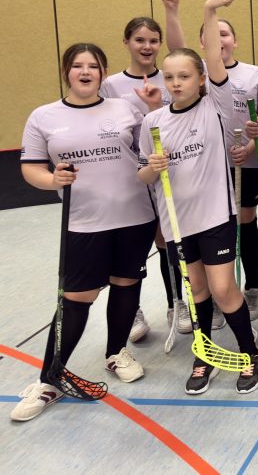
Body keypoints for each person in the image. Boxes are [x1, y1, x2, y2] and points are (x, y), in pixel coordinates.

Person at [11, 43, 158, 422]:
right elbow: (32, 168)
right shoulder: (44, 116)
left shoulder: (126, 107)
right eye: (78, 66)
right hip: (83, 220)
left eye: (93, 66)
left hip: (134, 214)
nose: (86, 71)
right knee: (77, 297)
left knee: (126, 284)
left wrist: (154, 108)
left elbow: (153, 146)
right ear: (66, 72)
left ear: (103, 73)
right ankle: (50, 377)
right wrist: (51, 178)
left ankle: (115, 352)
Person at [138, 0, 258, 396]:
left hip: (214, 217)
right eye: (169, 77)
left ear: (201, 79)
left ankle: (249, 352)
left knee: (225, 289)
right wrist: (151, 170)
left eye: (185, 76)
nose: (176, 83)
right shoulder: (154, 122)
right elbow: (143, 177)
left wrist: (207, 12)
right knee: (197, 291)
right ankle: (204, 353)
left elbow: (213, 58)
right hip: (178, 223)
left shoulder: (217, 107)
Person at [163, 0, 258, 321]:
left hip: (245, 163)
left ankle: (248, 289)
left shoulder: (251, 74)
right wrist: (184, 12)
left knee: (243, 224)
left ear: (234, 41)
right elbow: (178, 50)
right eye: (213, 34)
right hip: (208, 165)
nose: (219, 39)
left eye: (226, 33)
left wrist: (252, 144)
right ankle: (211, 295)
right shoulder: (200, 76)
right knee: (206, 233)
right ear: (204, 42)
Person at [100, 17, 176, 342]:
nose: (147, 46)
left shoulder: (172, 76)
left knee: (166, 240)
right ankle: (134, 312)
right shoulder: (110, 85)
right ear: (126, 42)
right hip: (128, 179)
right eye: (140, 40)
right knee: (131, 246)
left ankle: (178, 306)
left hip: (168, 175)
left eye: (153, 40)